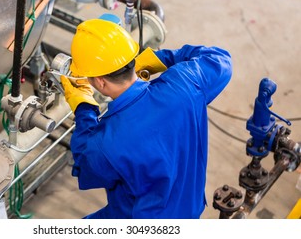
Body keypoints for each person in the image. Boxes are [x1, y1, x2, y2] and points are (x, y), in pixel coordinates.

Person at [60, 18, 232, 219]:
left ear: (99, 81)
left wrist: (84, 107)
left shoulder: (107, 143)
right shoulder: (185, 83)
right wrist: (161, 59)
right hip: (189, 208)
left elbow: (84, 161)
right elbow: (219, 58)